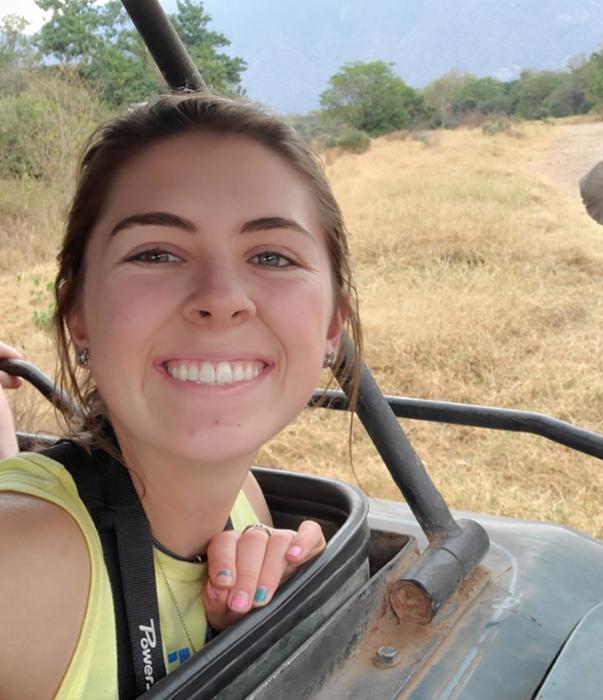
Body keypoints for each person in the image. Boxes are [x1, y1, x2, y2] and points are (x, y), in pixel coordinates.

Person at [0, 92, 363, 699]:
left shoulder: (245, 502)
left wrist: (240, 634)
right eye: (157, 253)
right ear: (78, 316)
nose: (222, 298)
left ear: (332, 326)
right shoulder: (20, 571)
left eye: (272, 256)